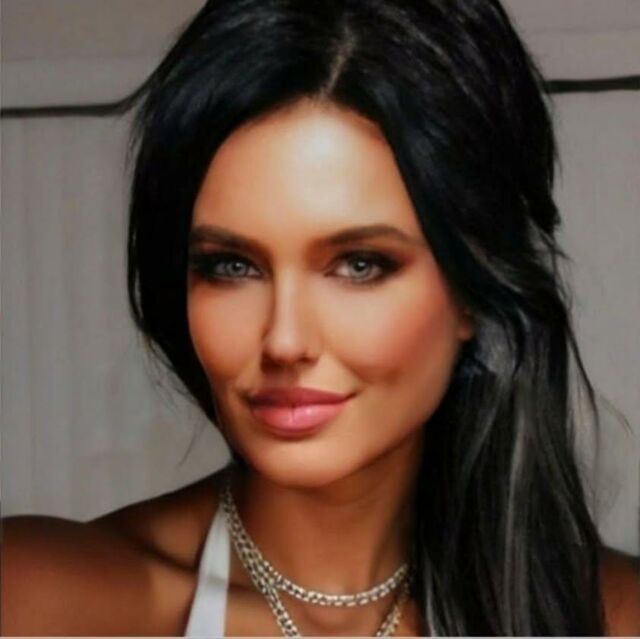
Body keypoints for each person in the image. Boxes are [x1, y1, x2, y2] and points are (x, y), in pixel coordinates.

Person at [2, 0, 639, 636]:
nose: (284, 340)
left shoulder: (612, 617)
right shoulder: (43, 601)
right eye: (231, 266)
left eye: (359, 265)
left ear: (473, 288)